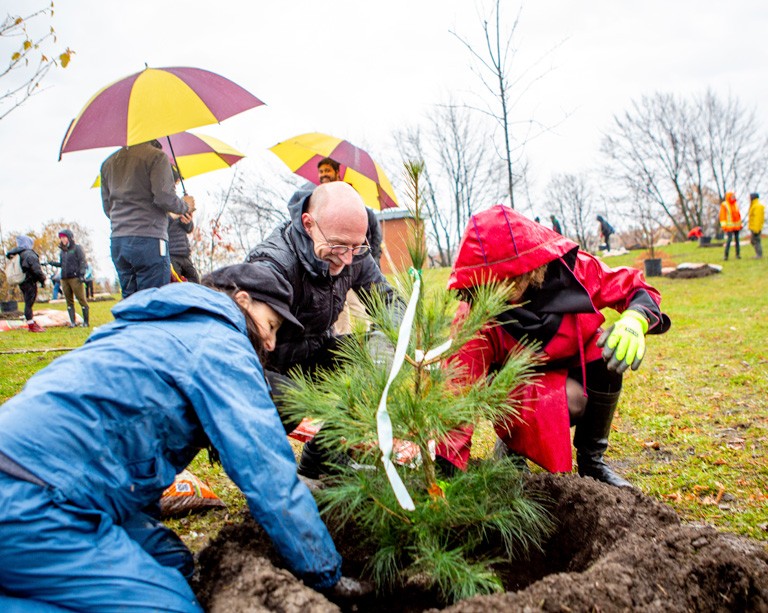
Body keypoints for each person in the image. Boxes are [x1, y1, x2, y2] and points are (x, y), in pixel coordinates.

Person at [0, 263, 367, 611]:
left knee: (173, 563)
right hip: (33, 497)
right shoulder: (219, 343)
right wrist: (324, 573)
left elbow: (125, 445)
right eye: (270, 325)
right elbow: (267, 474)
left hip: (47, 475)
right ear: (242, 300)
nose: (270, 343)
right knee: (174, 606)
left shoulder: (157, 325)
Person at [435, 206, 671, 488]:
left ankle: (592, 462)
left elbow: (633, 287)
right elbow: (457, 394)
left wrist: (635, 319)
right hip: (516, 386)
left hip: (572, 364)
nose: (502, 291)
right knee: (561, 402)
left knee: (606, 351)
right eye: (493, 282)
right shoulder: (476, 314)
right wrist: (446, 477)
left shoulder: (572, 273)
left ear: (529, 267)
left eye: (510, 280)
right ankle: (512, 446)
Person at [247, 181, 402, 477]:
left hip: (314, 353)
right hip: (269, 365)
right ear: (308, 224)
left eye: (356, 247)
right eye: (338, 246)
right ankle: (270, 480)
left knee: (374, 354)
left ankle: (322, 457)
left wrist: (391, 339)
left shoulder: (353, 250)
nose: (346, 259)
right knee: (286, 399)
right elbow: (240, 345)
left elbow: (388, 300)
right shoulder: (273, 262)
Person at [100, 139, 196, 298]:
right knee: (154, 299)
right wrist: (185, 206)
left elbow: (108, 208)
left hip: (118, 241)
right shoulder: (156, 157)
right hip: (149, 239)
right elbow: (165, 198)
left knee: (130, 300)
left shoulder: (108, 163)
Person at [317, 157, 383, 266]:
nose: (324, 174)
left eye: (327, 170)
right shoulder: (318, 199)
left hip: (358, 260)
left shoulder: (348, 192)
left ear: (337, 172)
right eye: (321, 171)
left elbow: (373, 230)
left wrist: (370, 258)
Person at [5, 235, 46, 333]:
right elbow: (36, 270)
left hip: (22, 282)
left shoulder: (17, 254)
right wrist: (42, 280)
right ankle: (31, 325)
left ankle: (31, 322)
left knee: (28, 303)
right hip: (30, 281)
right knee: (29, 304)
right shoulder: (29, 254)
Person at [50, 229, 89, 327]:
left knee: (81, 299)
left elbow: (82, 261)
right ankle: (73, 322)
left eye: (64, 237)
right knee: (69, 301)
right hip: (64, 278)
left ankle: (86, 322)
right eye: (61, 237)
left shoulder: (77, 248)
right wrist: (52, 263)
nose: (62, 239)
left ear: (69, 238)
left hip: (75, 277)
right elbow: (62, 264)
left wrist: (82, 274)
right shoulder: (62, 252)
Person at [169, 212, 200, 283]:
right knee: (176, 283)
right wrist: (173, 217)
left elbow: (189, 229)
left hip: (185, 254)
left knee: (195, 281)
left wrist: (187, 222)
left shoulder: (180, 207)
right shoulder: (163, 206)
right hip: (171, 254)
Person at [719, 192, 742, 260]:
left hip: (736, 226)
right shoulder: (725, 205)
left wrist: (740, 224)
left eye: (734, 196)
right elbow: (722, 216)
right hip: (729, 226)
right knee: (729, 240)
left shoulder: (735, 204)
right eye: (732, 196)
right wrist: (724, 226)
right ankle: (726, 255)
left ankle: (738, 254)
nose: (734, 198)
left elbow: (738, 215)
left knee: (737, 240)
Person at [747, 192, 764, 259]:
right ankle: (759, 254)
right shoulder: (754, 205)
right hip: (754, 227)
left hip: (756, 227)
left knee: (756, 241)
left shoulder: (757, 206)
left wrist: (756, 229)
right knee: (754, 240)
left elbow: (757, 218)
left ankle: (759, 255)